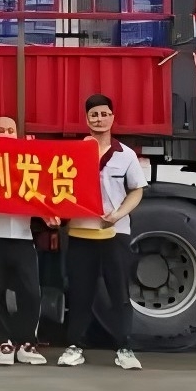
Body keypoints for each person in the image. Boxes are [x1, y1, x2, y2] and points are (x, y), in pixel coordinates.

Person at [59, 93, 147, 371]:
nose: (99, 119)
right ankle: (74, 346)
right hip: (80, 233)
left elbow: (137, 190)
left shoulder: (126, 155)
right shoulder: (73, 153)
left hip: (115, 232)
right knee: (80, 292)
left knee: (118, 292)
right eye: (94, 115)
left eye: (104, 114)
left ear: (112, 117)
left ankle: (124, 348)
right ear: (86, 120)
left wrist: (118, 215)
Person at [0, 114, 45, 366]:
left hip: (22, 237)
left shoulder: (28, 159)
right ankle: (4, 342)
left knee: (31, 292)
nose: (5, 134)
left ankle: (27, 343)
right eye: (0, 130)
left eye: (10, 130)